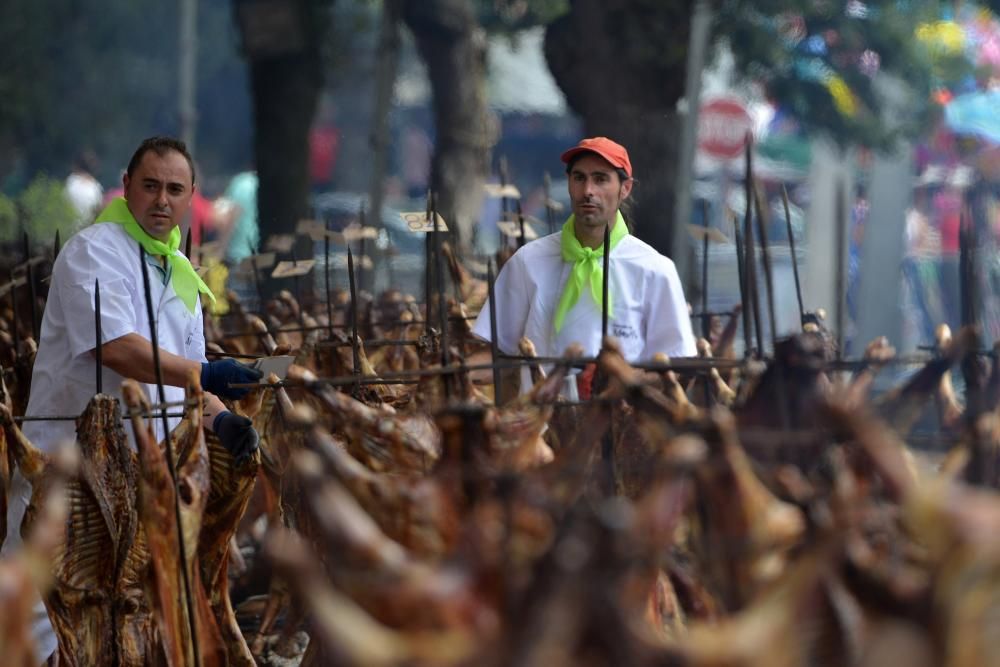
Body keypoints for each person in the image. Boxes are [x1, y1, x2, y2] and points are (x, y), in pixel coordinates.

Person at [2, 136, 262, 662]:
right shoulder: (94, 251)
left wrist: (220, 421)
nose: (161, 200)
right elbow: (116, 348)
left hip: (146, 479)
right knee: (33, 619)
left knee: (126, 632)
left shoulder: (180, 270)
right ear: (126, 187)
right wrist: (209, 372)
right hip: (70, 471)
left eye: (174, 189)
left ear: (192, 196)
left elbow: (184, 382)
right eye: (150, 186)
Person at [472, 136, 696, 393]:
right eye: (579, 178)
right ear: (569, 184)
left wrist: (621, 382)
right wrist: (440, 373)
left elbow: (676, 364)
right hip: (542, 424)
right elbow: (499, 355)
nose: (588, 190)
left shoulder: (655, 270)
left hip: (620, 422)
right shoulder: (528, 261)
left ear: (625, 189)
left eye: (600, 179)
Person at [64, 151, 104, 231]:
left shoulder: (70, 183)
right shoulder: (96, 188)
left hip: (68, 231)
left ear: (76, 165)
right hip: (87, 232)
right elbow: (98, 214)